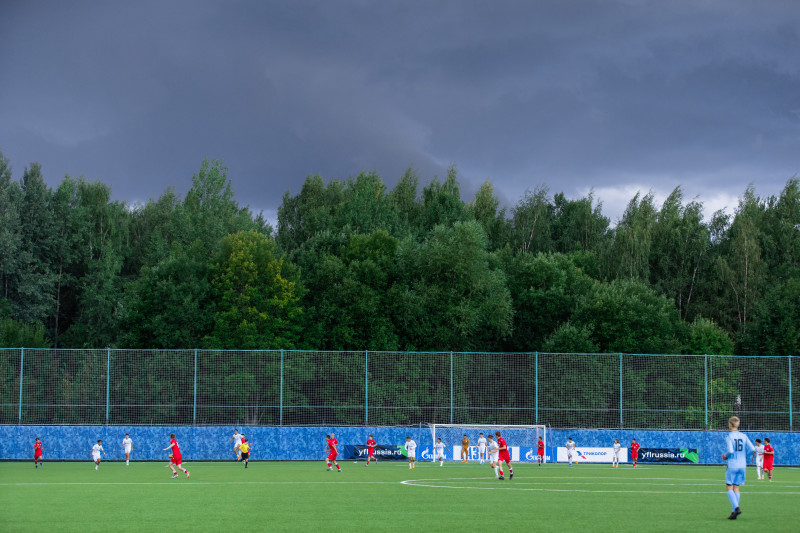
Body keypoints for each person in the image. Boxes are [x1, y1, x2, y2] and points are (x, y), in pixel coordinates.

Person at [722, 416, 755, 520]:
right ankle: (733, 512)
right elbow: (753, 449)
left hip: (733, 464)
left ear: (730, 425)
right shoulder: (744, 436)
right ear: (738, 424)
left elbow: (730, 451)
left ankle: (736, 508)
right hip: (742, 464)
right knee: (736, 487)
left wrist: (725, 456)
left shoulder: (729, 436)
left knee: (729, 486)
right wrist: (745, 456)